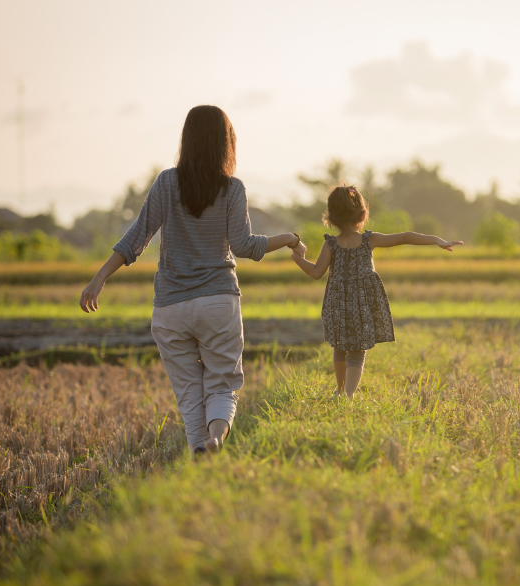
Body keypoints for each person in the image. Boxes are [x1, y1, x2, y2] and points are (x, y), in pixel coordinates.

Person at [79, 105, 305, 458]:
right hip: (217, 302)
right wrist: (289, 238)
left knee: (189, 395)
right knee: (222, 385)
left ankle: (200, 454)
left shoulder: (167, 182)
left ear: (187, 140)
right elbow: (245, 246)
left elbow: (136, 238)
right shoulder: (232, 189)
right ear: (225, 142)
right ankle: (216, 440)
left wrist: (98, 278)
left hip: (171, 307)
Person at [290, 185, 463, 397]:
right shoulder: (368, 240)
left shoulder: (331, 245)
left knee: (340, 347)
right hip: (362, 306)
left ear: (331, 219)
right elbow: (405, 237)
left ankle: (340, 389)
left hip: (338, 305)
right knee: (357, 351)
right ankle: (349, 395)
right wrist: (437, 240)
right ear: (363, 214)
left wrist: (298, 259)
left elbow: (316, 272)